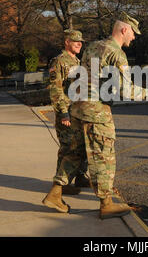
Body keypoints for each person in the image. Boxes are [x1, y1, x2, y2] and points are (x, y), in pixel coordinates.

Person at [70, 12, 148, 219]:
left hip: (79, 107)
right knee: (104, 155)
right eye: (133, 33)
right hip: (97, 111)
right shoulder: (116, 54)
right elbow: (124, 91)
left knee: (81, 151)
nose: (134, 37)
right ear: (123, 29)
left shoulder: (92, 46)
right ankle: (106, 203)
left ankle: (56, 192)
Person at [42, 29, 89, 213]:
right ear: (67, 41)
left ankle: (72, 180)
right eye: (76, 41)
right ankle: (58, 189)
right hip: (68, 113)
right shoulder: (60, 61)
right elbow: (55, 89)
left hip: (76, 112)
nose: (79, 44)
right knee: (71, 149)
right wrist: (63, 113)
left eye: (81, 41)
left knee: (70, 148)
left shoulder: (76, 61)